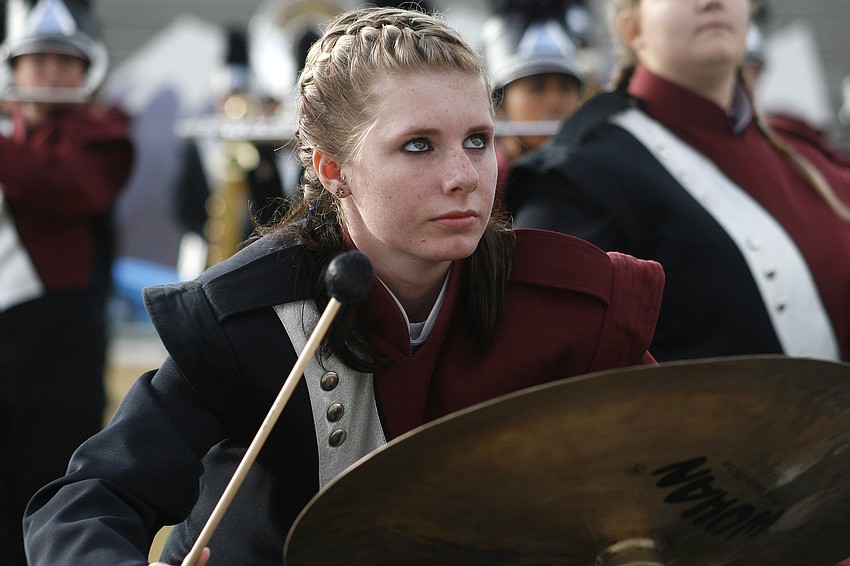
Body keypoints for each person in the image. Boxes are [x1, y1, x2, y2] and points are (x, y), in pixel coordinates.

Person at [23, 7, 663, 565]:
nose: (464, 175)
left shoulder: (567, 303)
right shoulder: (249, 320)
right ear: (334, 170)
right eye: (418, 146)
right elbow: (87, 503)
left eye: (477, 140)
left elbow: (684, 462)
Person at [505, 0, 850, 363]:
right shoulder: (578, 176)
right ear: (632, 29)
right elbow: (544, 371)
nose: (712, 2)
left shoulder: (804, 156)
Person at [0, 0, 134, 564]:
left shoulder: (106, 132)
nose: (50, 73)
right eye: (38, 60)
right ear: (16, 69)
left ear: (86, 71)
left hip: (59, 348)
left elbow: (68, 189)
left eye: (64, 61)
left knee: (48, 484)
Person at [479, 0, 585, 200]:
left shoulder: (596, 174)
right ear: (499, 103)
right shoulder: (478, 182)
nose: (555, 102)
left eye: (566, 87)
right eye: (537, 88)